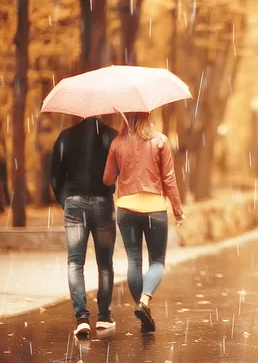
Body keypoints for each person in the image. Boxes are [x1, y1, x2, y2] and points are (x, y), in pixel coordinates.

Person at [103, 112, 185, 332]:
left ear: (125, 119)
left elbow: (107, 179)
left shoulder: (117, 143)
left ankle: (141, 306)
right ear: (148, 117)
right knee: (157, 261)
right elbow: (169, 179)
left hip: (126, 208)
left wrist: (123, 164)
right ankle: (144, 303)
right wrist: (177, 210)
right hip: (154, 209)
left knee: (134, 262)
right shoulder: (160, 141)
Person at [50, 116, 118, 337]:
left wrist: (66, 200)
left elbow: (54, 176)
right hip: (103, 204)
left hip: (74, 202)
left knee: (75, 262)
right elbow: (119, 172)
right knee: (105, 263)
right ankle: (104, 316)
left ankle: (81, 318)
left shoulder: (65, 137)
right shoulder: (112, 136)